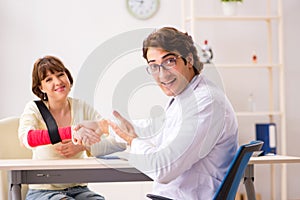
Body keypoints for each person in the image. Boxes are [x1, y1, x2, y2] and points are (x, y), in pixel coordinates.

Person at [73, 27, 239, 200]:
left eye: (169, 61)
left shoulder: (206, 102)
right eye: (153, 66)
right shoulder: (185, 97)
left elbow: (163, 169)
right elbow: (155, 129)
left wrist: (132, 141)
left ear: (189, 60)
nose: (162, 74)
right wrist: (104, 127)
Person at [18, 55, 111, 200]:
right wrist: (71, 132)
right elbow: (26, 139)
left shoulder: (81, 107)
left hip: (79, 189)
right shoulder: (34, 109)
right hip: (43, 191)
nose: (58, 82)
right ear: (41, 87)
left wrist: (82, 146)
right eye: (48, 79)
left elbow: (108, 134)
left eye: (60, 74)